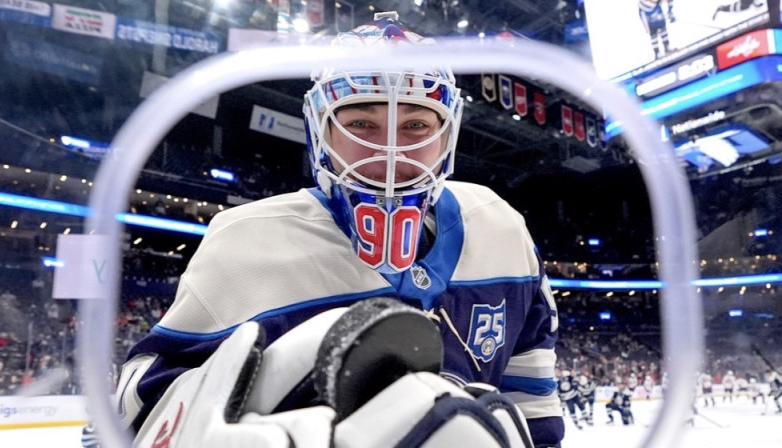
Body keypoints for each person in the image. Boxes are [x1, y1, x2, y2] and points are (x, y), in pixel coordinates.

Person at [115, 12, 563, 448]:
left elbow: (532, 402)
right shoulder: (246, 242)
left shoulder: (501, 228)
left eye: (416, 125)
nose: (390, 150)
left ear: (447, 136)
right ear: (321, 131)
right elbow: (137, 408)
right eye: (361, 123)